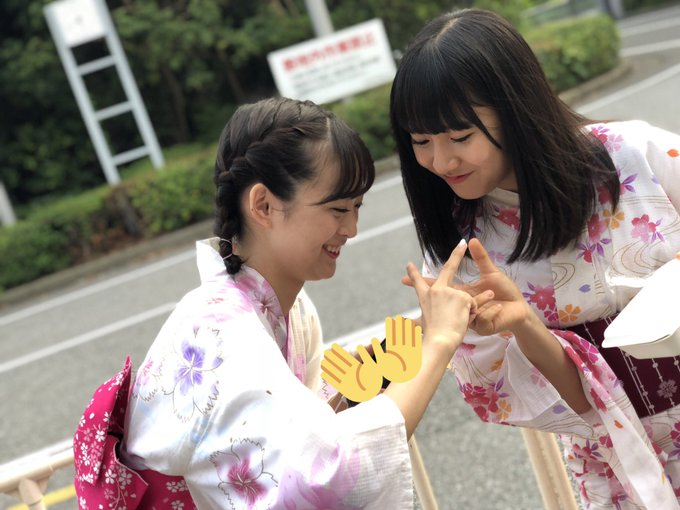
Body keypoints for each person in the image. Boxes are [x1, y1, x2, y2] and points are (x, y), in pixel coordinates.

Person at [72, 97, 487, 509]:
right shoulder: (222, 334)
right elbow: (326, 477)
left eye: (357, 207)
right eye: (338, 208)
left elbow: (306, 425)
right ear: (264, 206)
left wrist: (420, 334)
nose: (352, 228)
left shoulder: (278, 308)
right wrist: (439, 342)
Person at [389, 8, 680, 510]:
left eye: (459, 137)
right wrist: (524, 325)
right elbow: (557, 399)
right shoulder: (459, 247)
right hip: (614, 466)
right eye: (421, 142)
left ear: (516, 110)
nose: (440, 161)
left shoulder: (634, 154)